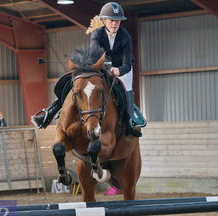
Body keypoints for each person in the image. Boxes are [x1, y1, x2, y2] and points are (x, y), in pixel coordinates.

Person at [31, 2, 145, 137]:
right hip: (102, 66)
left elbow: (127, 63)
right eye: (111, 21)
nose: (115, 24)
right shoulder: (97, 33)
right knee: (75, 83)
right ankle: (49, 113)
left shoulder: (125, 36)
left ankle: (129, 121)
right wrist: (102, 67)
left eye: (118, 21)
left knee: (126, 89)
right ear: (104, 20)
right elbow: (95, 54)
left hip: (122, 69)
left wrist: (118, 71)